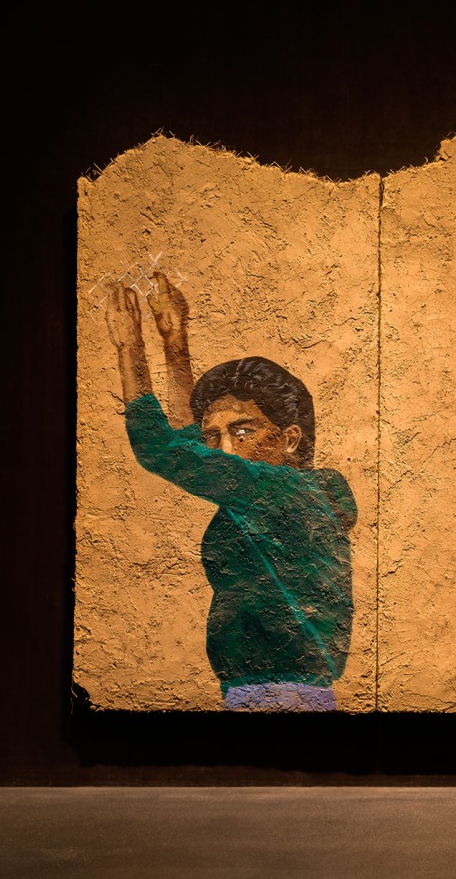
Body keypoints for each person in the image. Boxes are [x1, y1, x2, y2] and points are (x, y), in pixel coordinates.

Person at [103, 273, 356, 712]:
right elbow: (189, 445)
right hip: (271, 692)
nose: (223, 450)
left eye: (242, 432)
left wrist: (129, 348)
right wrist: (174, 342)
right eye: (215, 436)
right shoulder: (272, 496)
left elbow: (163, 451)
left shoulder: (283, 492)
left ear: (290, 438)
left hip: (277, 697)